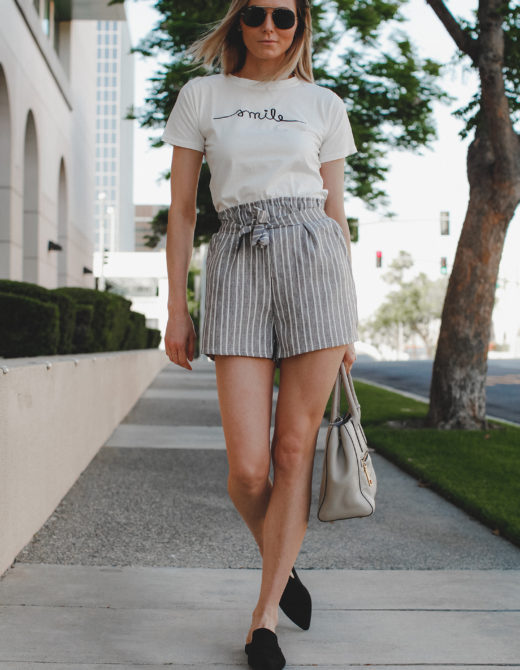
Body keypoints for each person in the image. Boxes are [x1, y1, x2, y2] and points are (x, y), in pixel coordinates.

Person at [161, 1, 358, 668]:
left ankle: (264, 617)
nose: (269, 26)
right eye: (254, 13)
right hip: (238, 255)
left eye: (284, 15)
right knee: (248, 469)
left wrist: (348, 314)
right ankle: (285, 561)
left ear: (301, 27)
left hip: (315, 261)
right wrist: (178, 309)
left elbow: (337, 210)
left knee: (293, 449)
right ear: (237, 23)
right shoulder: (202, 96)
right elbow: (184, 210)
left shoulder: (325, 104)